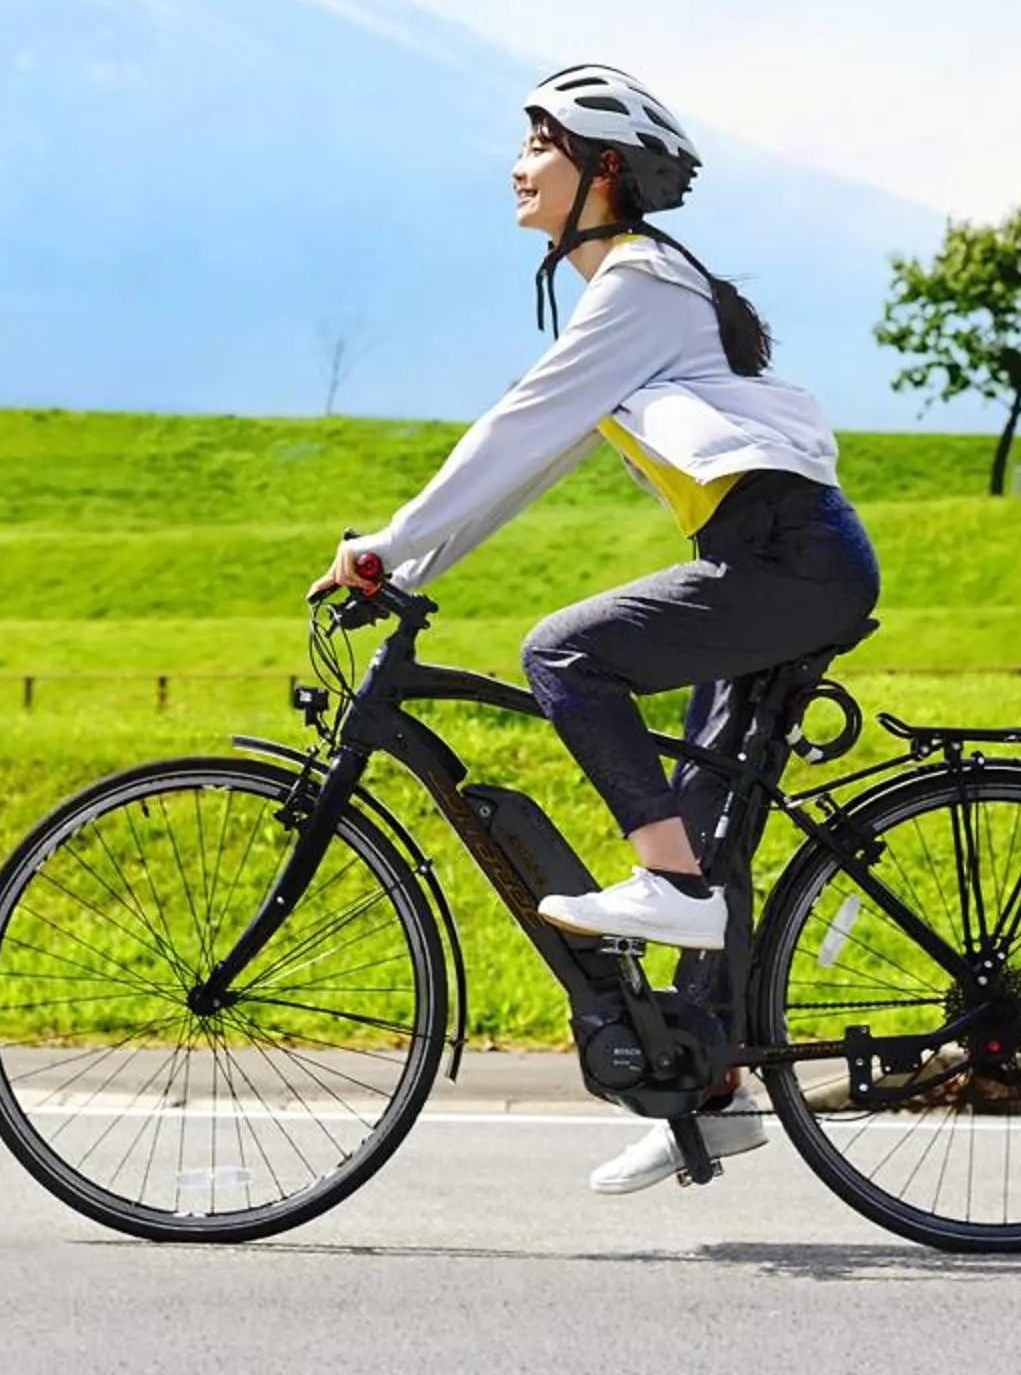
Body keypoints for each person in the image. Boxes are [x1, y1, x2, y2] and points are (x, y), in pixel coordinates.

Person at [313, 62, 881, 1196]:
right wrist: (420, 554)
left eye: (542, 143)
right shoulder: (643, 289)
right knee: (714, 837)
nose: (519, 165)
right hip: (772, 557)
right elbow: (537, 453)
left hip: (784, 558)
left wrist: (388, 548)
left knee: (563, 651)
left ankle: (661, 885)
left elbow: (518, 424)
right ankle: (710, 1092)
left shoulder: (640, 284)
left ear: (603, 171)